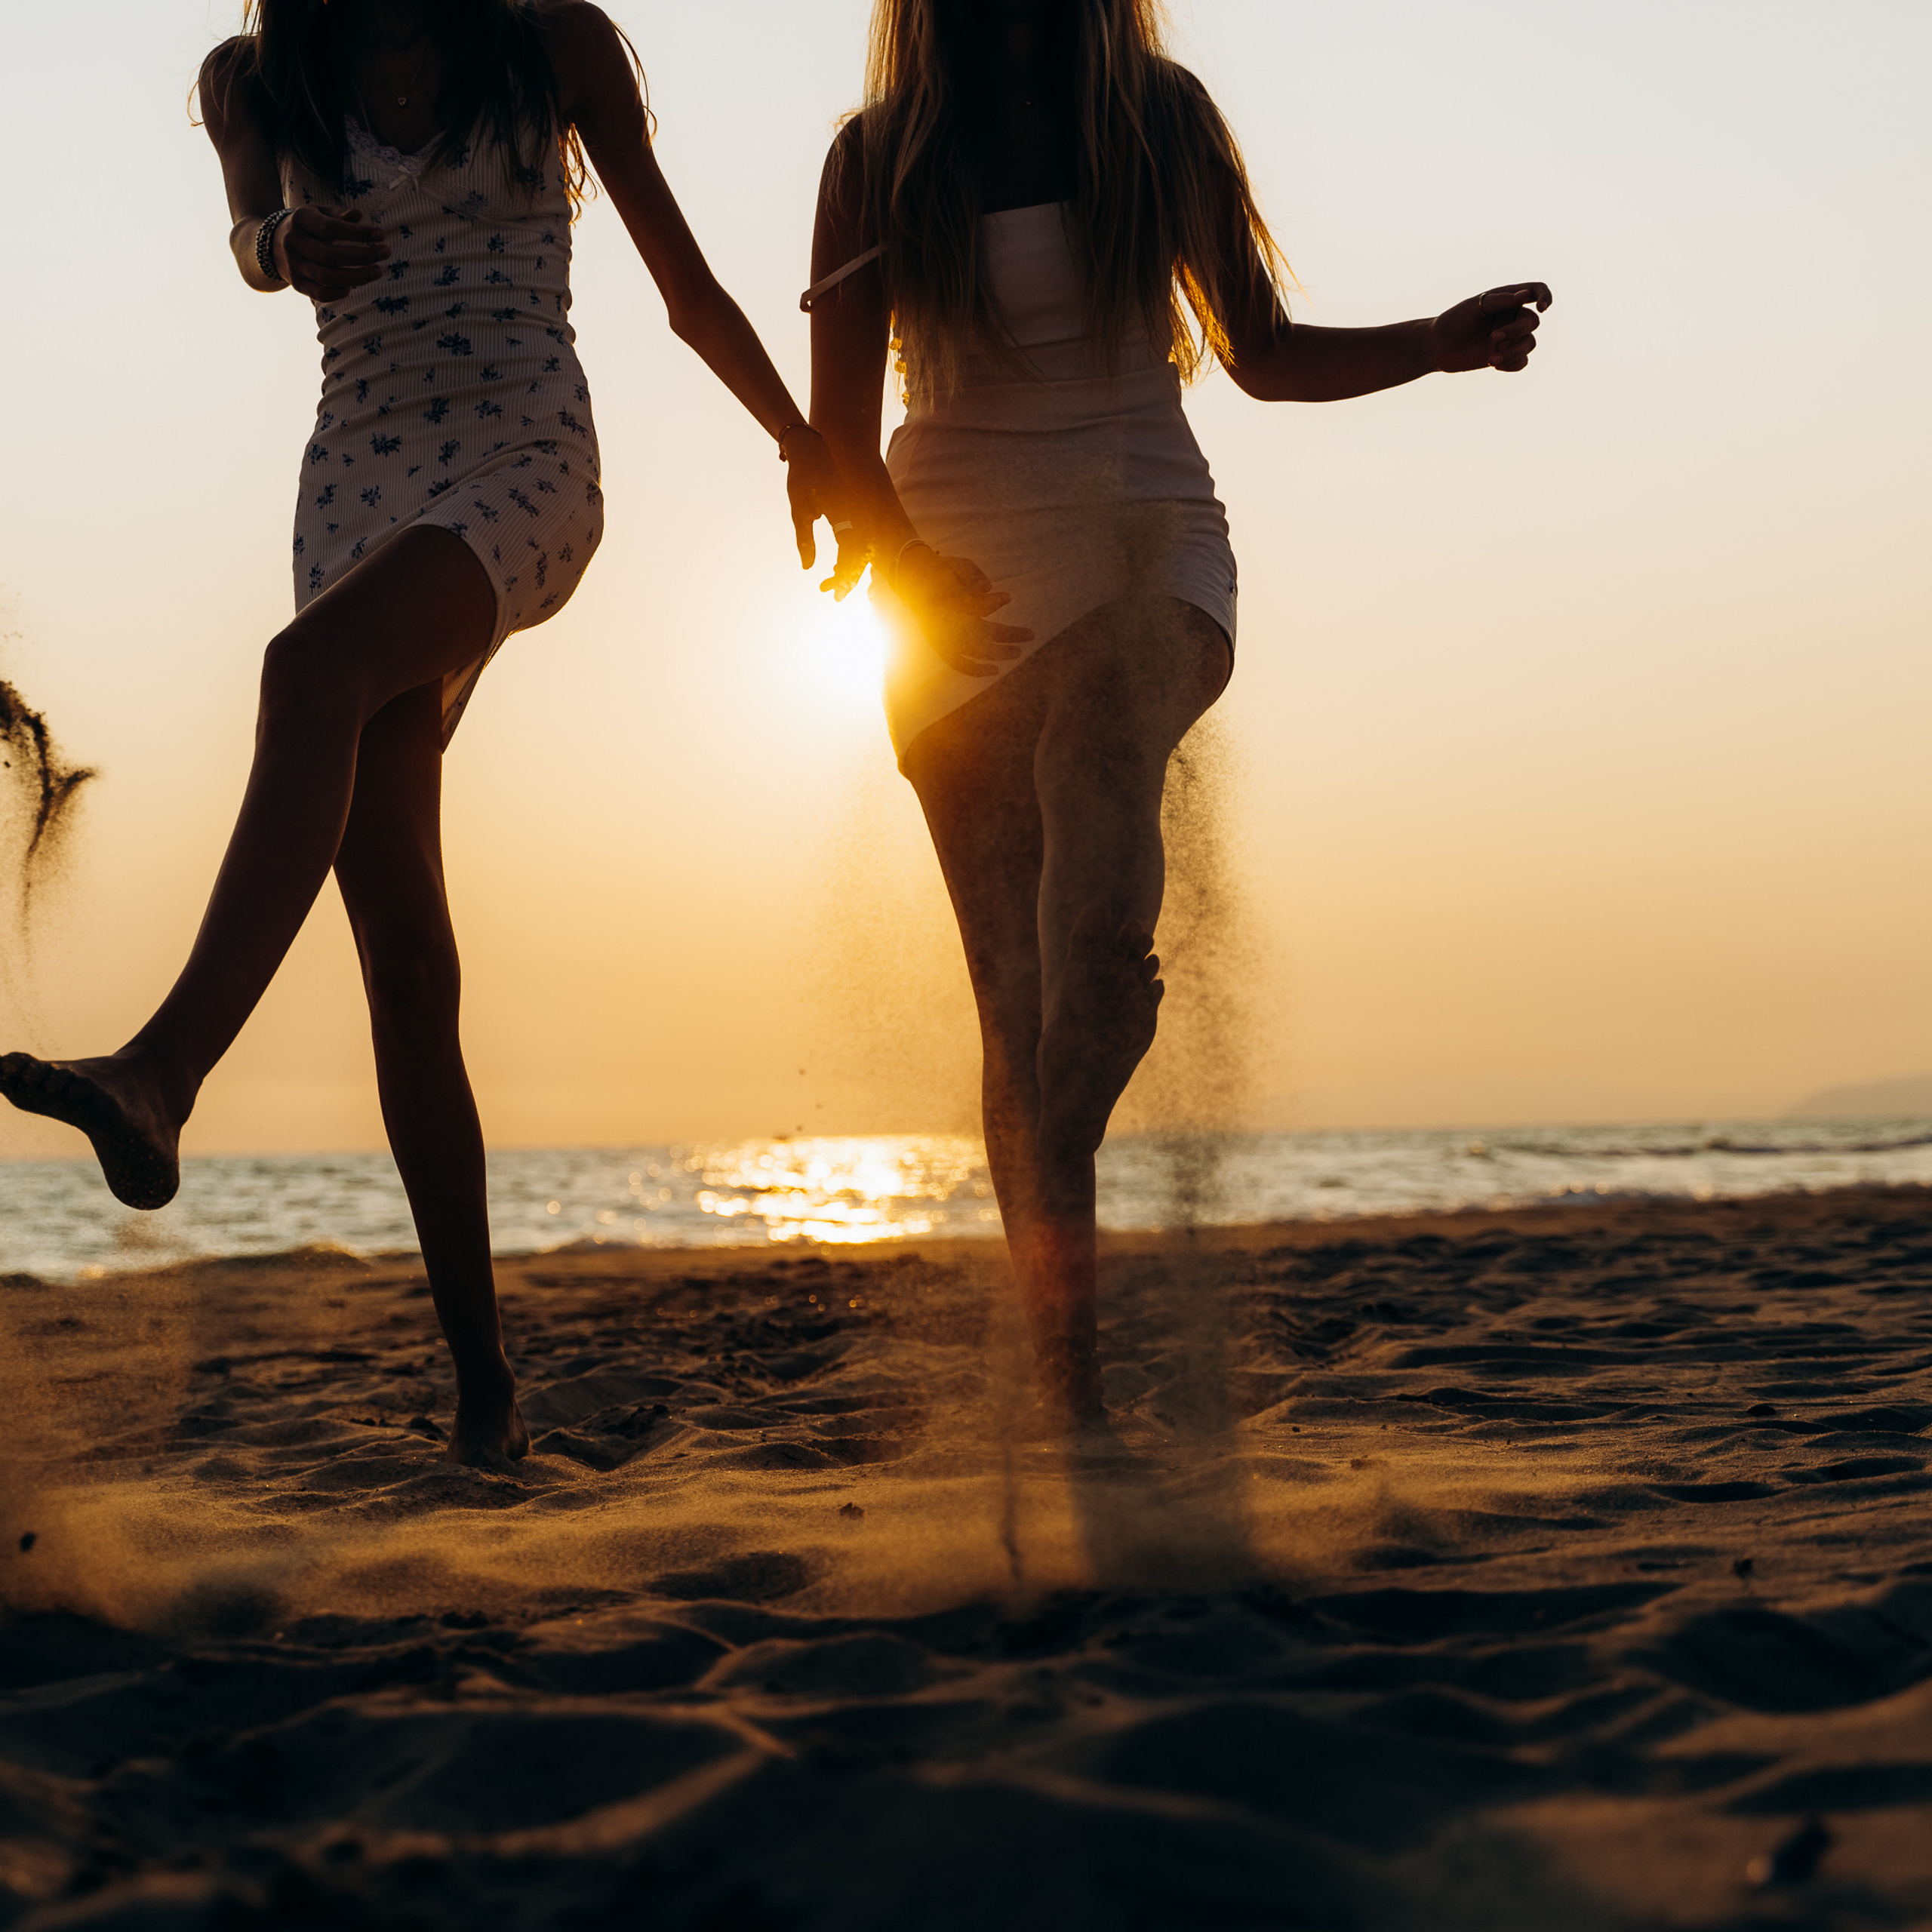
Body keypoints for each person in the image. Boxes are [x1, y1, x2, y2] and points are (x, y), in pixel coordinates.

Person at [0, 0, 849, 1466]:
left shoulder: (548, 47)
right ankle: (485, 1393)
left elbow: (683, 284)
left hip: (525, 461)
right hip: (353, 489)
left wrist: (806, 442)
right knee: (403, 957)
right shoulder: (256, 81)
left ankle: (163, 1073)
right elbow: (250, 236)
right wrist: (282, 248)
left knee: (302, 672)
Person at [806, 0, 1551, 1428]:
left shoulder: (1161, 117)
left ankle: (1100, 1001)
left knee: (1099, 744)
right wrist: (910, 574)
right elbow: (841, 429)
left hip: (1145, 536)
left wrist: (1436, 345)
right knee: (1012, 1019)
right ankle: (1070, 1397)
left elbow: (1260, 353)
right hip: (946, 576)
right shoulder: (878, 157)